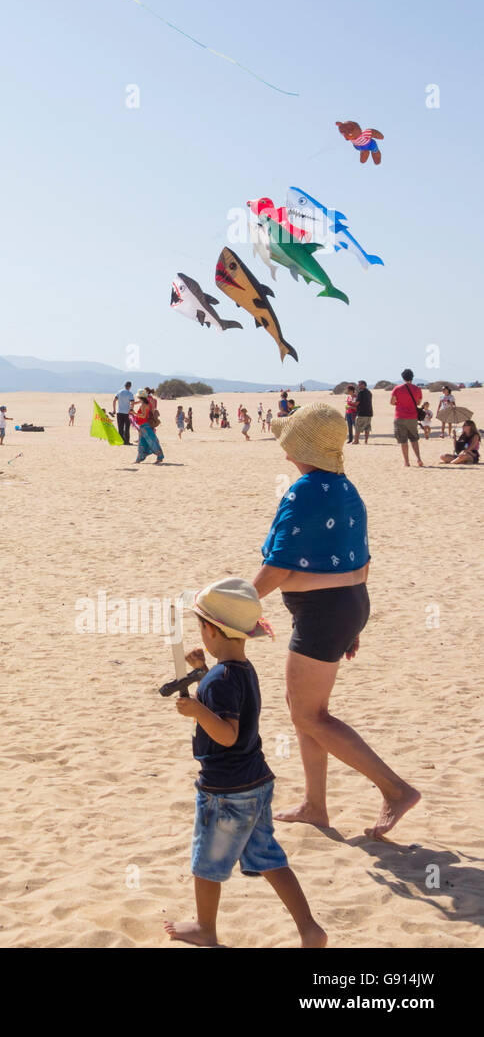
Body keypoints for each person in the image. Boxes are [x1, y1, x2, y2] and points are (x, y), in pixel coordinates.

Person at [254, 403, 419, 838]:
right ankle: (315, 804)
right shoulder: (346, 488)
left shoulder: (304, 490)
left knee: (310, 715)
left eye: (289, 444)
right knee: (304, 711)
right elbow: (362, 560)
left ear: (301, 448)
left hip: (325, 612)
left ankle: (395, 789)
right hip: (349, 602)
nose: (285, 453)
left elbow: (280, 567)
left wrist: (240, 604)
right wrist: (355, 623)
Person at [163, 579, 325, 949]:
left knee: (206, 861)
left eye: (200, 626)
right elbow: (228, 700)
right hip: (256, 781)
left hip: (225, 790)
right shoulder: (240, 669)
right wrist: (203, 671)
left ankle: (205, 928)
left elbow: (226, 733)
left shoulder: (221, 680)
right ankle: (309, 929)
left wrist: (195, 708)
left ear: (209, 630)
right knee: (267, 855)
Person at [390, 369, 425, 468]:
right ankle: (419, 459)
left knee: (403, 441)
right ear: (412, 377)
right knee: (414, 439)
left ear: (403, 377)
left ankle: (407, 462)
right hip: (413, 417)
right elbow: (418, 402)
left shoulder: (397, 388)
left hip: (400, 416)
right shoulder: (417, 389)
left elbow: (392, 402)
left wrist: (400, 403)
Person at [132, 390, 164, 465]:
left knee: (152, 441)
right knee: (142, 443)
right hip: (143, 426)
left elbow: (143, 415)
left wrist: (134, 413)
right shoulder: (146, 403)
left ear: (140, 397)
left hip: (144, 425)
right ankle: (139, 459)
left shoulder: (143, 405)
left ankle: (160, 457)